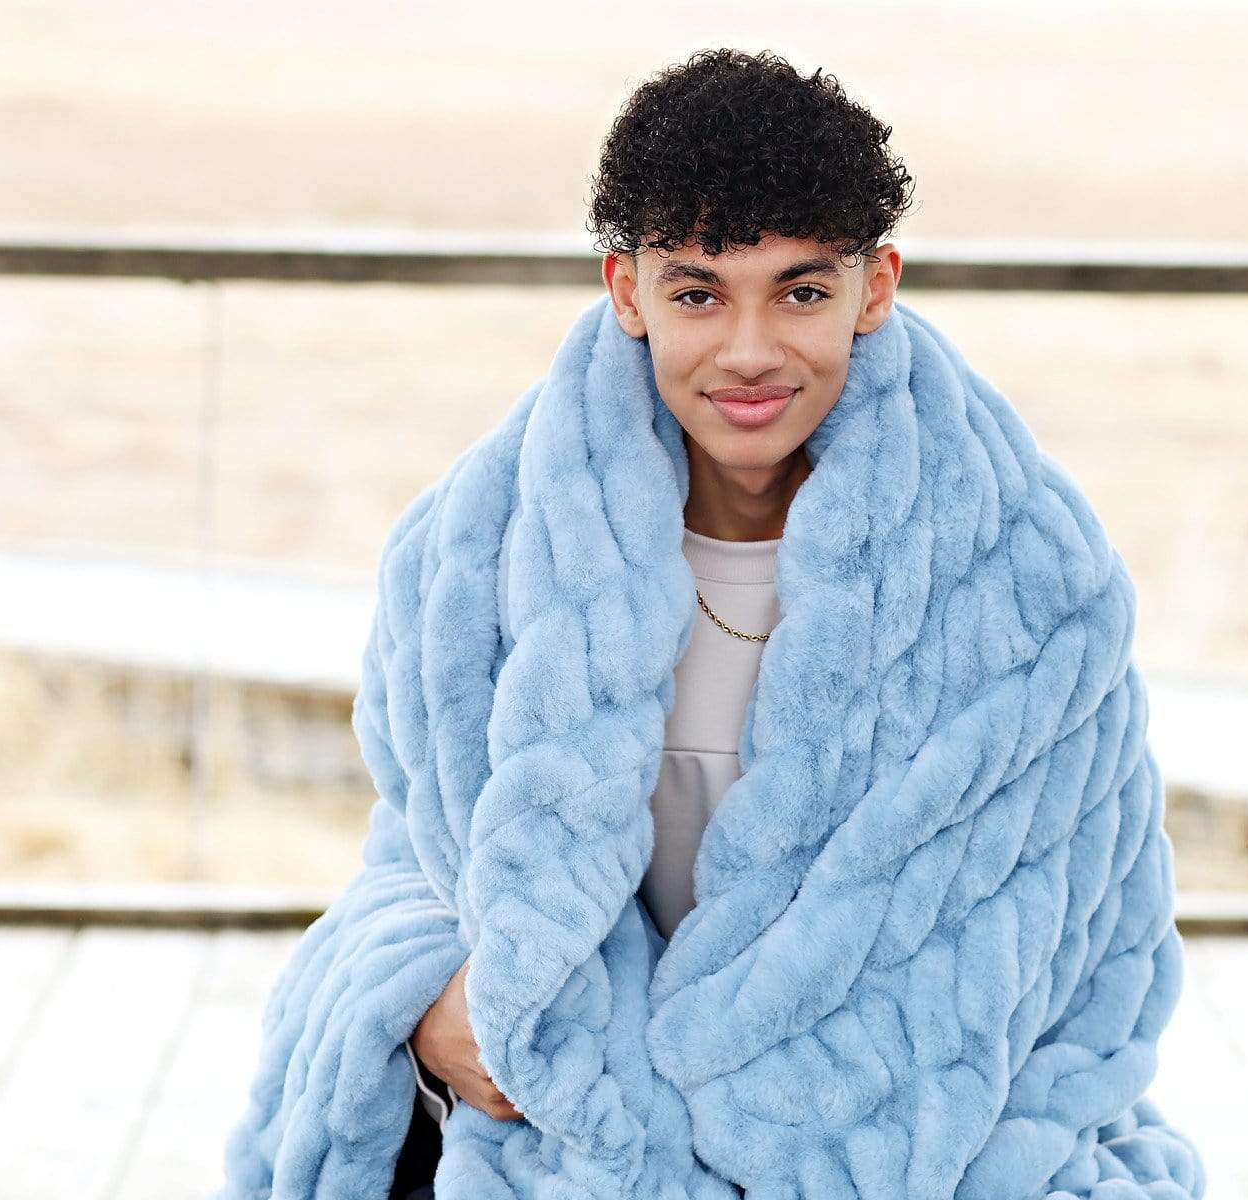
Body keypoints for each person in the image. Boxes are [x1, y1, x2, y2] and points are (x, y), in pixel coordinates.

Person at [391, 46, 912, 1197]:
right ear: (627, 291)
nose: (749, 352)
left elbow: (1068, 928)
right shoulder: (477, 558)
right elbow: (412, 856)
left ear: (875, 286)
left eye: (802, 291)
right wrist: (428, 1001)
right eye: (697, 292)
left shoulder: (1019, 586)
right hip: (568, 1139)